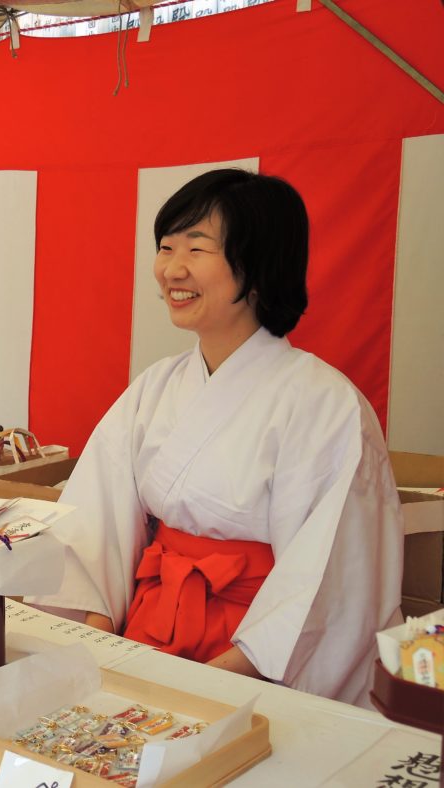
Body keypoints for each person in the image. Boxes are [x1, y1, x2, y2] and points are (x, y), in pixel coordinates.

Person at [29, 169, 403, 706]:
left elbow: (329, 582)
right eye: (165, 246)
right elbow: (95, 527)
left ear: (257, 265)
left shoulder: (326, 404)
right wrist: (101, 642)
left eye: (196, 248)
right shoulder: (154, 388)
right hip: (145, 640)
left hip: (252, 665)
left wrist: (225, 678)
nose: (171, 269)